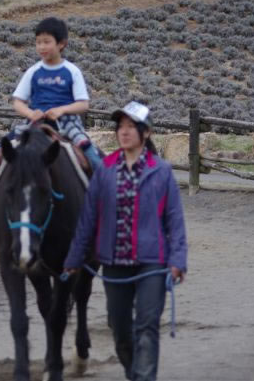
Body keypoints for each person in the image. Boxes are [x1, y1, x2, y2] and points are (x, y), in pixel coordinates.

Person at [63, 101, 188, 381]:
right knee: (119, 329)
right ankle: (135, 373)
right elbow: (88, 219)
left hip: (152, 262)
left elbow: (175, 221)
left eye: (132, 126)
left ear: (146, 133)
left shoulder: (162, 171)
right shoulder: (105, 170)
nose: (125, 131)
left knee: (146, 326)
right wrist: (74, 258)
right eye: (121, 126)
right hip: (114, 262)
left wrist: (178, 259)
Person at [0, 16, 102, 219]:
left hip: (67, 124)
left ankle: (108, 199)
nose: (41, 47)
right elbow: (17, 101)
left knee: (92, 156)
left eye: (47, 42)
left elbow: (83, 104)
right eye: (38, 42)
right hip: (34, 124)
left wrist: (62, 110)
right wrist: (30, 113)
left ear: (61, 43)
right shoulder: (33, 71)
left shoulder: (72, 71)